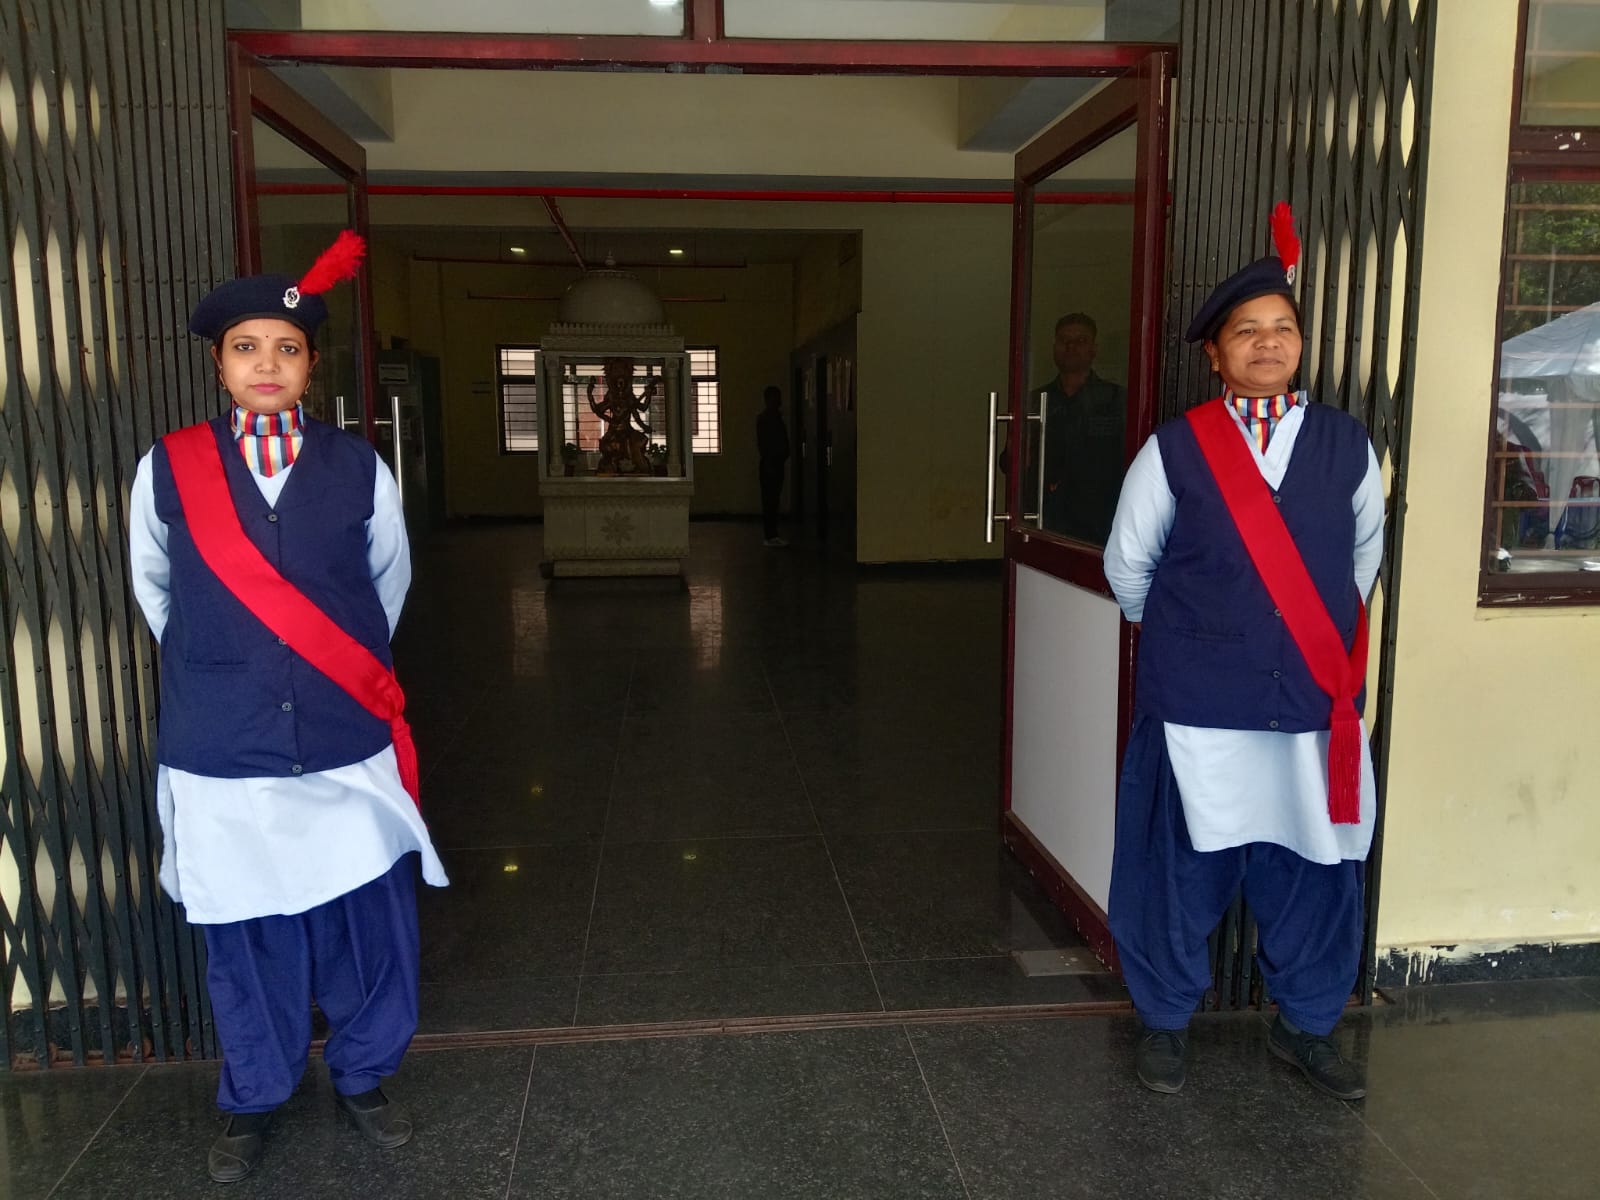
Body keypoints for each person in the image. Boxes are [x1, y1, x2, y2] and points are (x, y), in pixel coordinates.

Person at [128, 232, 449, 1183]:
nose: (266, 365)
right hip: (221, 746)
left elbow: (383, 584)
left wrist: (320, 671)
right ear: (220, 364)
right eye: (245, 348)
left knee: (366, 916)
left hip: (345, 739)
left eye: (287, 348)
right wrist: (236, 662)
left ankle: (363, 1072)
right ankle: (256, 1090)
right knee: (246, 925)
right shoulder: (169, 468)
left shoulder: (358, 468)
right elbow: (157, 591)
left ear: (310, 363)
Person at [1102, 204, 1384, 1102]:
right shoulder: (1176, 449)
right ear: (1215, 353)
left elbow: (1362, 563)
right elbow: (1128, 569)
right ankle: (1164, 1024)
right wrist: (1203, 637)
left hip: (1309, 710)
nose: (1268, 344)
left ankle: (1306, 1027)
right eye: (1246, 332)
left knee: (1311, 874)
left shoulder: (1348, 447)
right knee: (1180, 872)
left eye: (1283, 329)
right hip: (1197, 712)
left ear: (1300, 343)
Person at [1036, 314, 1128, 543]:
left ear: (1093, 349)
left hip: (1100, 522)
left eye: (1080, 341)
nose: (1071, 347)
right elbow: (1012, 463)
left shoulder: (1116, 399)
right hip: (1045, 520)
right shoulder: (1036, 400)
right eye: (1064, 340)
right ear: (1054, 347)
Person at [757, 384, 790, 547]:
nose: (779, 400)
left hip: (774, 463)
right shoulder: (767, 419)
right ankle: (770, 535)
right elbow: (765, 445)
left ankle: (772, 534)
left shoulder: (773, 417)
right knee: (770, 500)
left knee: (773, 500)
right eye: (776, 397)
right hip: (771, 465)